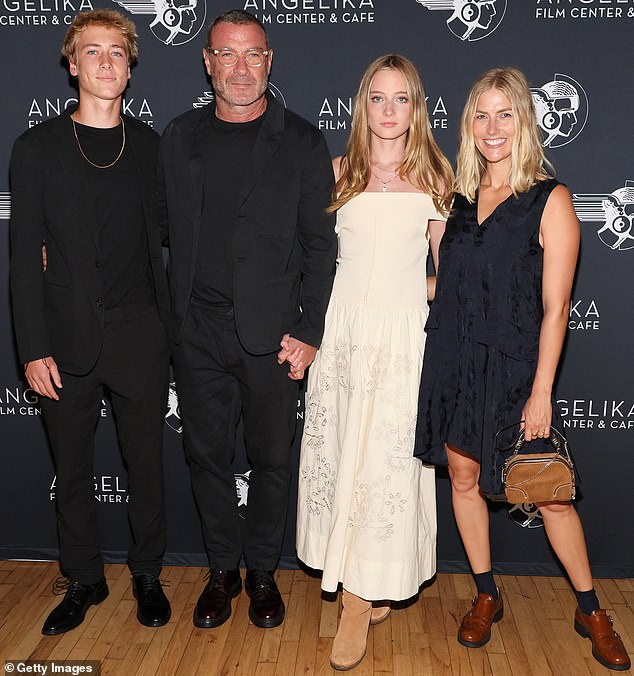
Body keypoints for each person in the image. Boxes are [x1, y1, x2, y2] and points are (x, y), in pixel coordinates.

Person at [413, 67, 630, 672]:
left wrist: (542, 392)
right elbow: (443, 286)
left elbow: (556, 307)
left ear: (525, 121)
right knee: (461, 477)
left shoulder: (549, 198)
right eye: (481, 114)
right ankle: (487, 594)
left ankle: (590, 608)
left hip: (515, 367)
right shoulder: (453, 200)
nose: (491, 127)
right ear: (468, 124)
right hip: (455, 359)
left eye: (504, 113)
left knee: (548, 493)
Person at [157, 9, 336, 630]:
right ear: (207, 62)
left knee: (271, 460)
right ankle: (221, 571)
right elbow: (150, 227)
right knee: (204, 457)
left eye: (252, 55)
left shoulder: (305, 142)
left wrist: (309, 331)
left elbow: (321, 246)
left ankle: (262, 571)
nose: (239, 68)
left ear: (269, 61)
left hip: (274, 337)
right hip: (197, 332)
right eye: (226, 55)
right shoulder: (178, 136)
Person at [10, 10, 171, 635]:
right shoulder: (37, 149)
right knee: (71, 467)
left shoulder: (153, 147)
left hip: (140, 334)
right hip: (64, 336)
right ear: (72, 64)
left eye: (117, 52)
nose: (106, 62)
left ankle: (148, 574)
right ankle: (83, 579)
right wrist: (33, 346)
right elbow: (24, 259)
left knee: (147, 463)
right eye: (92, 52)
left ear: (130, 66)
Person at [296, 54, 454, 671]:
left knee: (384, 470)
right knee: (344, 459)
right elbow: (316, 259)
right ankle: (363, 580)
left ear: (416, 107)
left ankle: (358, 601)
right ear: (364, 105)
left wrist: (410, 294)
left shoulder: (437, 176)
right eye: (378, 99)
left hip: (402, 343)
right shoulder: (335, 173)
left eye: (402, 99)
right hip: (341, 339)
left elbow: (450, 274)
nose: (389, 111)